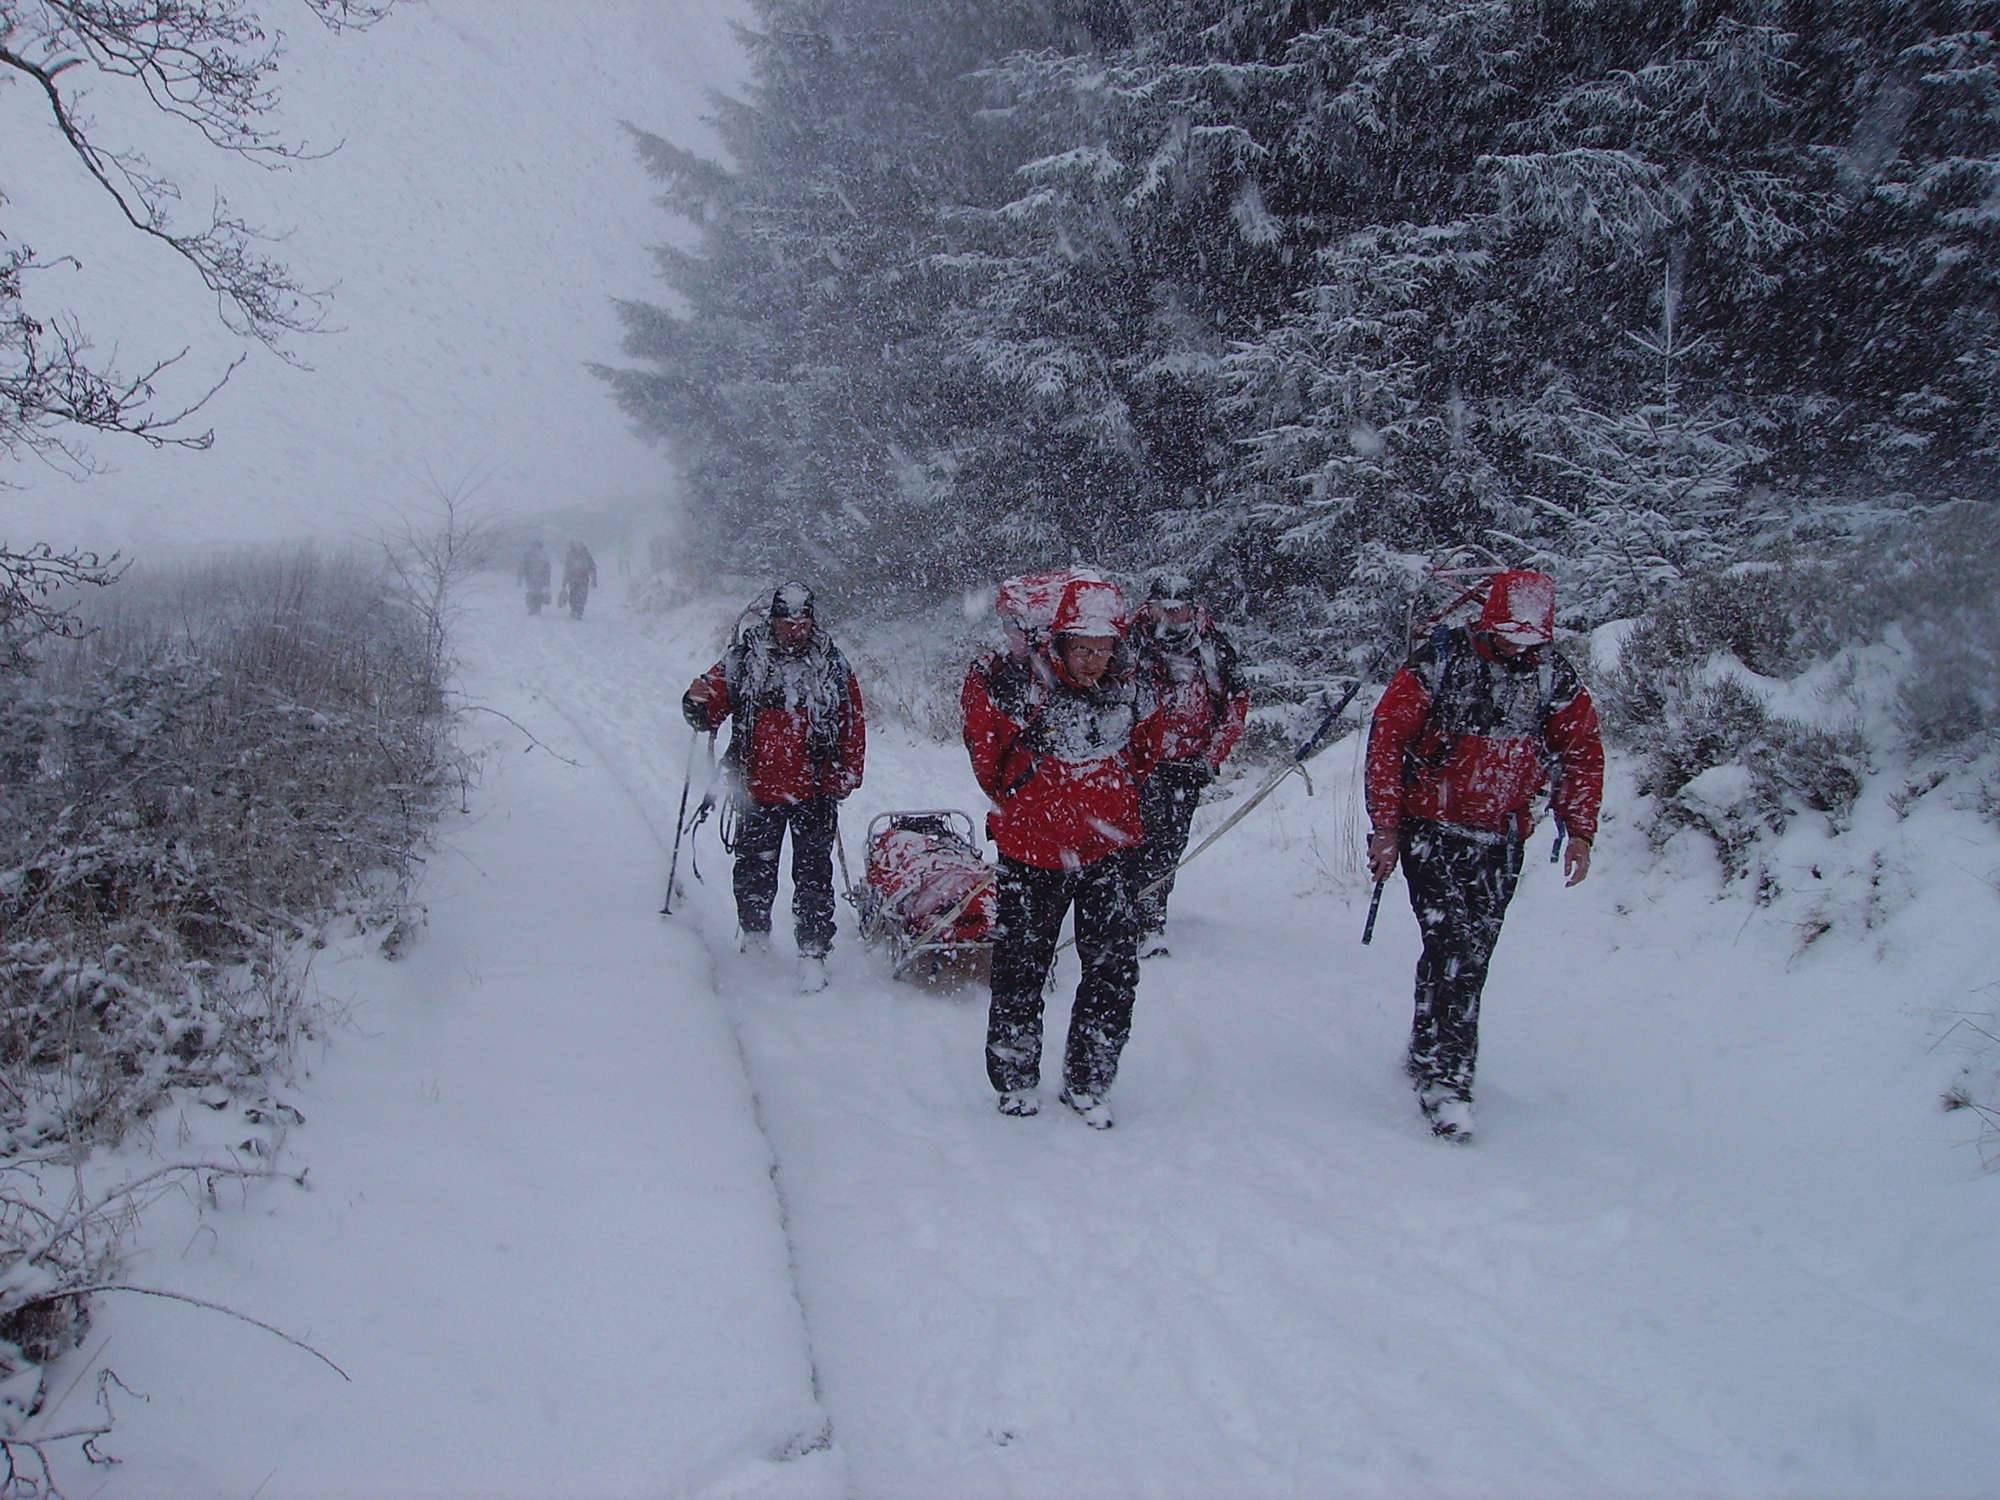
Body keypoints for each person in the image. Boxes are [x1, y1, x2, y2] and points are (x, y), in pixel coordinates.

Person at [1365, 569, 1603, 1144]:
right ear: (1488, 624)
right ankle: (1449, 1084)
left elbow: (1582, 751)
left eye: (1530, 640)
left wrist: (1580, 829)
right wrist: (1386, 828)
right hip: (1431, 830)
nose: (1520, 650)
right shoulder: (1439, 661)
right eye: (1509, 637)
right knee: (1457, 949)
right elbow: (1388, 738)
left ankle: (1428, 1044)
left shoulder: (1553, 676)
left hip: (1501, 837)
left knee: (1469, 950)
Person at [962, 575, 1162, 1128]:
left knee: (1113, 971)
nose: (1093, 660)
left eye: (1103, 648)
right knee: (1021, 967)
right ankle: (1016, 1080)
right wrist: (1034, 804)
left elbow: (1144, 753)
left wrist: (1107, 806)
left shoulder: (1136, 688)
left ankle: (1090, 1080)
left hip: (1109, 852)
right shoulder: (1014, 687)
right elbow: (988, 761)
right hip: (1031, 854)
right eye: (1082, 647)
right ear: (1060, 642)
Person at [683, 583, 865, 991]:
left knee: (814, 874)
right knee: (753, 868)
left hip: (815, 787)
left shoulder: (833, 662)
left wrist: (849, 771)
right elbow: (713, 695)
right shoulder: (746, 656)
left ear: (812, 620)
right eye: (787, 621)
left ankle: (814, 951)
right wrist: (697, 706)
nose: (795, 629)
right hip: (755, 784)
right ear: (774, 619)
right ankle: (755, 936)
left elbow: (852, 719)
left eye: (802, 621)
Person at [1124, 572, 1251, 956]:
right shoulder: (1129, 645)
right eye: (1164, 609)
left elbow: (1236, 703)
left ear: (1193, 611)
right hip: (1136, 765)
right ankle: (1127, 915)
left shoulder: (1214, 647)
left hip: (1187, 765)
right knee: (1132, 841)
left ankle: (1151, 919)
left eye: (1180, 611)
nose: (1172, 618)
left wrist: (1212, 757)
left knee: (1169, 845)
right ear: (1150, 609)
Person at [559, 542, 598, 620]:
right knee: (573, 595)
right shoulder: (571, 556)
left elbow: (592, 568)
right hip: (574, 580)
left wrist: (594, 579)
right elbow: (567, 569)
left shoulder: (586, 556)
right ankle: (574, 609)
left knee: (582, 596)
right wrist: (565, 580)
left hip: (582, 580)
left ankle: (579, 610)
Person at [518, 541, 551, 615]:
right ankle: (533, 607)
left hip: (536, 578)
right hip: (533, 578)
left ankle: (535, 607)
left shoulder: (539, 555)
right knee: (533, 593)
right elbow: (523, 566)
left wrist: (547, 579)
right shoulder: (530, 555)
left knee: (536, 593)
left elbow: (547, 569)